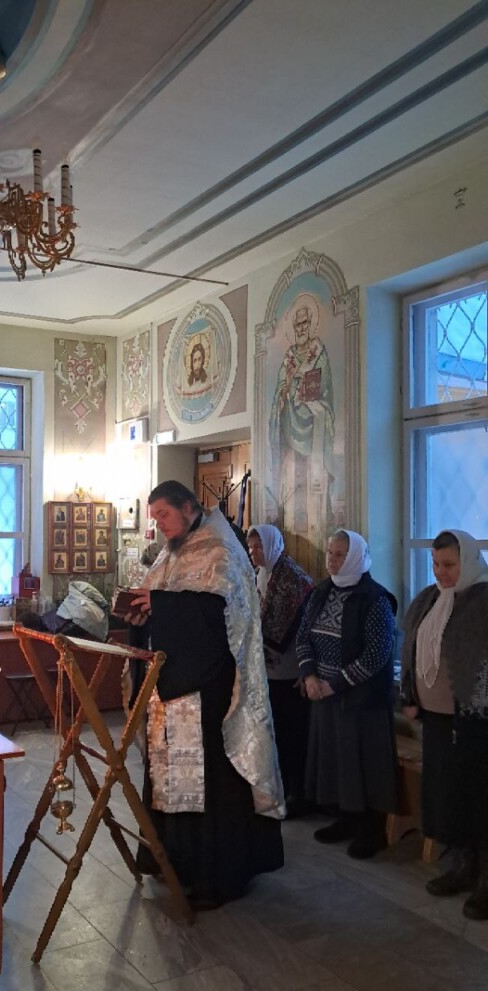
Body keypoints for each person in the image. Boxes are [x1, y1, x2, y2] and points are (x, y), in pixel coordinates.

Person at [126, 480, 284, 910]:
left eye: (164, 514)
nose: (159, 524)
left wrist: (163, 605)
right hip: (172, 685)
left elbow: (218, 617)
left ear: (187, 507)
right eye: (155, 517)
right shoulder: (173, 551)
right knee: (170, 776)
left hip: (211, 691)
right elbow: (165, 602)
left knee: (211, 782)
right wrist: (143, 612)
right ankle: (175, 861)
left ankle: (218, 876)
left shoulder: (221, 549)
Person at [400, 530, 488, 918]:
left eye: (449, 564)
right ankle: (462, 865)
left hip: (476, 723)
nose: (440, 572)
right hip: (435, 720)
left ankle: (486, 879)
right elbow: (410, 648)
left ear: (467, 561)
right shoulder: (429, 599)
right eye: (435, 564)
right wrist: (409, 696)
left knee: (478, 797)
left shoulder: (483, 600)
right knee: (449, 796)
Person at [296, 529, 398, 859]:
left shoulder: (375, 599)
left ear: (355, 556)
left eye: (340, 554)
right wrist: (309, 675)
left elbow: (376, 654)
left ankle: (371, 830)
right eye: (330, 553)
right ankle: (346, 818)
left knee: (364, 764)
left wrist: (335, 683)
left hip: (361, 700)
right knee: (336, 761)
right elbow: (303, 637)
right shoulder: (321, 591)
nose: (332, 560)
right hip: (324, 694)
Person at [247, 524, 314, 814]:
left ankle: (298, 794)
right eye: (251, 547)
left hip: (290, 671)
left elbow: (285, 629)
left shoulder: (291, 578)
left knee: (292, 736)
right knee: (275, 734)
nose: (254, 552)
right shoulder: (263, 573)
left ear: (273, 546)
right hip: (269, 670)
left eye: (259, 546)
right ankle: (279, 789)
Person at [268, 297, 335, 550]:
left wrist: (310, 399)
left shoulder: (319, 353)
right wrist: (285, 394)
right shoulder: (288, 359)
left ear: (311, 324)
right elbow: (278, 395)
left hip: (313, 433)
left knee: (313, 499)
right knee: (291, 494)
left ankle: (317, 546)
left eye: (306, 323)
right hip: (290, 438)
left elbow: (326, 391)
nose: (302, 328)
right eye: (298, 325)